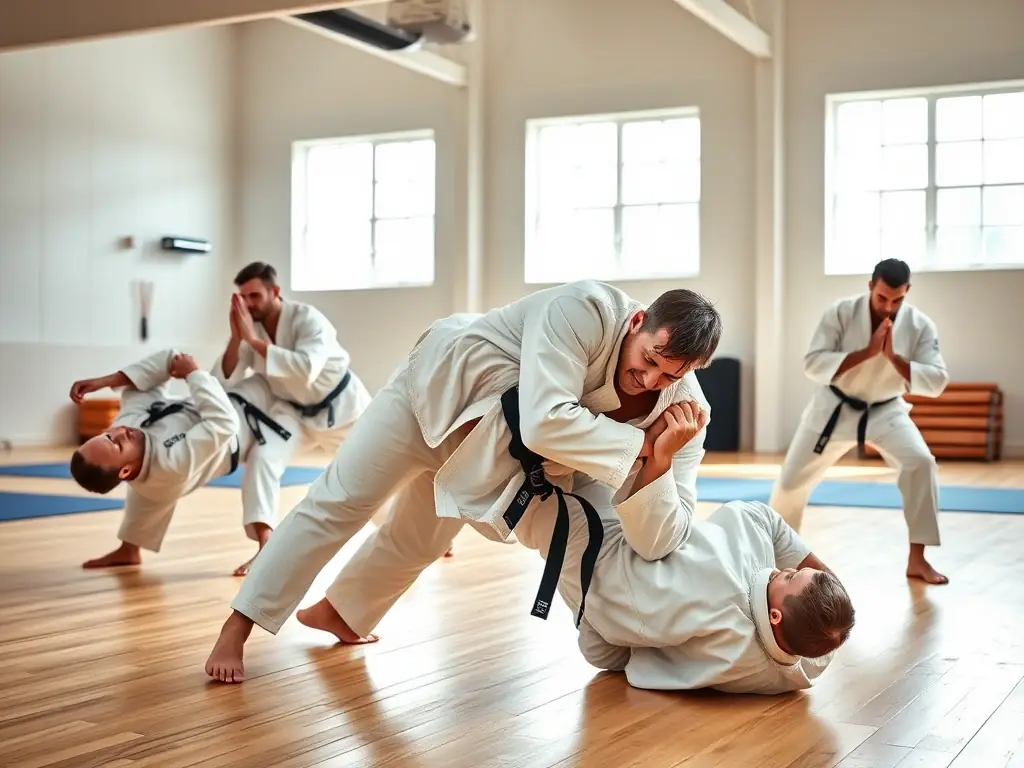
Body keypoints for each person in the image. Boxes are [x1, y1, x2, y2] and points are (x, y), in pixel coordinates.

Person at [204, 279, 722, 683]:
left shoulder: (685, 413)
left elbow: (664, 537)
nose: (652, 380)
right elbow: (545, 420)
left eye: (671, 375)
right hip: (433, 391)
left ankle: (342, 613)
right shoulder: (584, 309)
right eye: (649, 360)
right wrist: (642, 450)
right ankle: (238, 626)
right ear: (637, 322)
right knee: (338, 501)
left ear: (695, 371)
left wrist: (659, 464)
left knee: (419, 537)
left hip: (490, 449)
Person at [769, 258, 950, 584]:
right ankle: (778, 558)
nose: (888, 307)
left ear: (907, 291)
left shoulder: (920, 325)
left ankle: (917, 559)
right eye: (882, 298)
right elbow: (813, 363)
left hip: (886, 409)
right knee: (790, 482)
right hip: (834, 407)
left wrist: (893, 357)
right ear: (870, 286)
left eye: (897, 300)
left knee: (921, 463)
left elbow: (937, 380)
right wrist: (867, 352)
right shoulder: (840, 312)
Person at [214, 261, 373, 575]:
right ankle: (266, 548)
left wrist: (254, 340)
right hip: (292, 414)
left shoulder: (308, 319)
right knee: (262, 457)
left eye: (255, 296)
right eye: (243, 297)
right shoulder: (251, 328)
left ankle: (423, 533)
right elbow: (225, 379)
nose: (248, 304)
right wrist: (237, 337)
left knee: (375, 477)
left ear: (275, 292)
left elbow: (306, 367)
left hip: (342, 410)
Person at [69, 348, 291, 570]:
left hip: (207, 406)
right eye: (117, 445)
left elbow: (168, 361)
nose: (122, 432)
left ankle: (129, 550)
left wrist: (105, 381)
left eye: (107, 434)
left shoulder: (127, 430)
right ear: (124, 472)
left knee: (145, 490)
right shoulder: (172, 464)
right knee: (262, 461)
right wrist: (193, 374)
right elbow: (224, 424)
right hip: (241, 429)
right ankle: (267, 544)